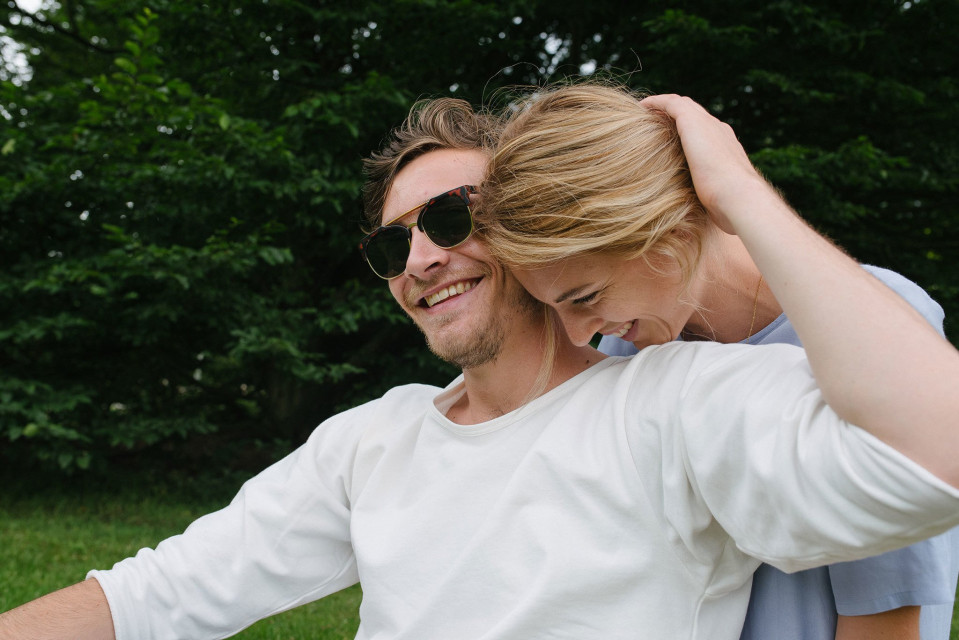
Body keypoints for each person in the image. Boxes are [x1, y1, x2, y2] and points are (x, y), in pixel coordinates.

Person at [3, 97, 959, 640]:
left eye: (453, 219)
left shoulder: (672, 399)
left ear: (541, 227)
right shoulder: (369, 441)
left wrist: (733, 190)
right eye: (389, 248)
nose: (419, 259)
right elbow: (153, 596)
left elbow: (939, 460)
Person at [479, 82, 959, 639]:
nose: (576, 335)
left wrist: (737, 188)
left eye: (585, 298)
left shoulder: (878, 327)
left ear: (669, 229)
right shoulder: (623, 355)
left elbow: (886, 618)